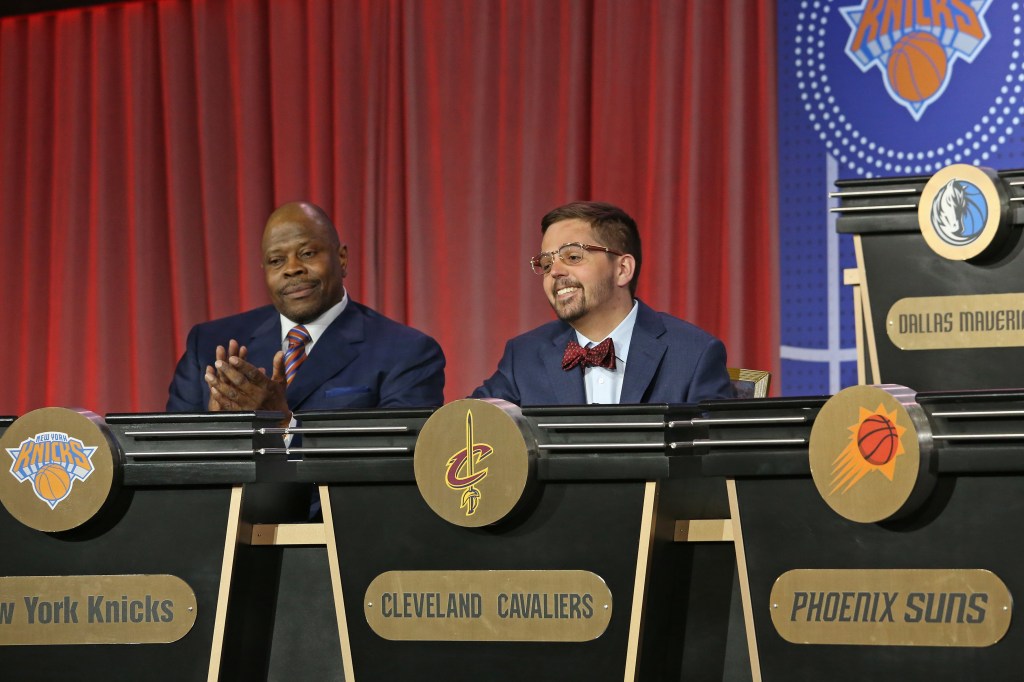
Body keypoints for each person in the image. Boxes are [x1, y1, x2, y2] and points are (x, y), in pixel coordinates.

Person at [166, 201, 445, 416]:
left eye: (307, 254)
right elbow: (172, 457)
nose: (292, 269)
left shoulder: (406, 352)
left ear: (342, 259)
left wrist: (285, 426)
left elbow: (397, 458)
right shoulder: (209, 345)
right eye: (277, 261)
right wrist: (217, 431)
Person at [472, 201, 732, 405]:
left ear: (622, 269)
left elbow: (713, 462)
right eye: (547, 263)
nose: (555, 272)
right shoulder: (524, 356)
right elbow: (466, 429)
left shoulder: (693, 353)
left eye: (572, 256)